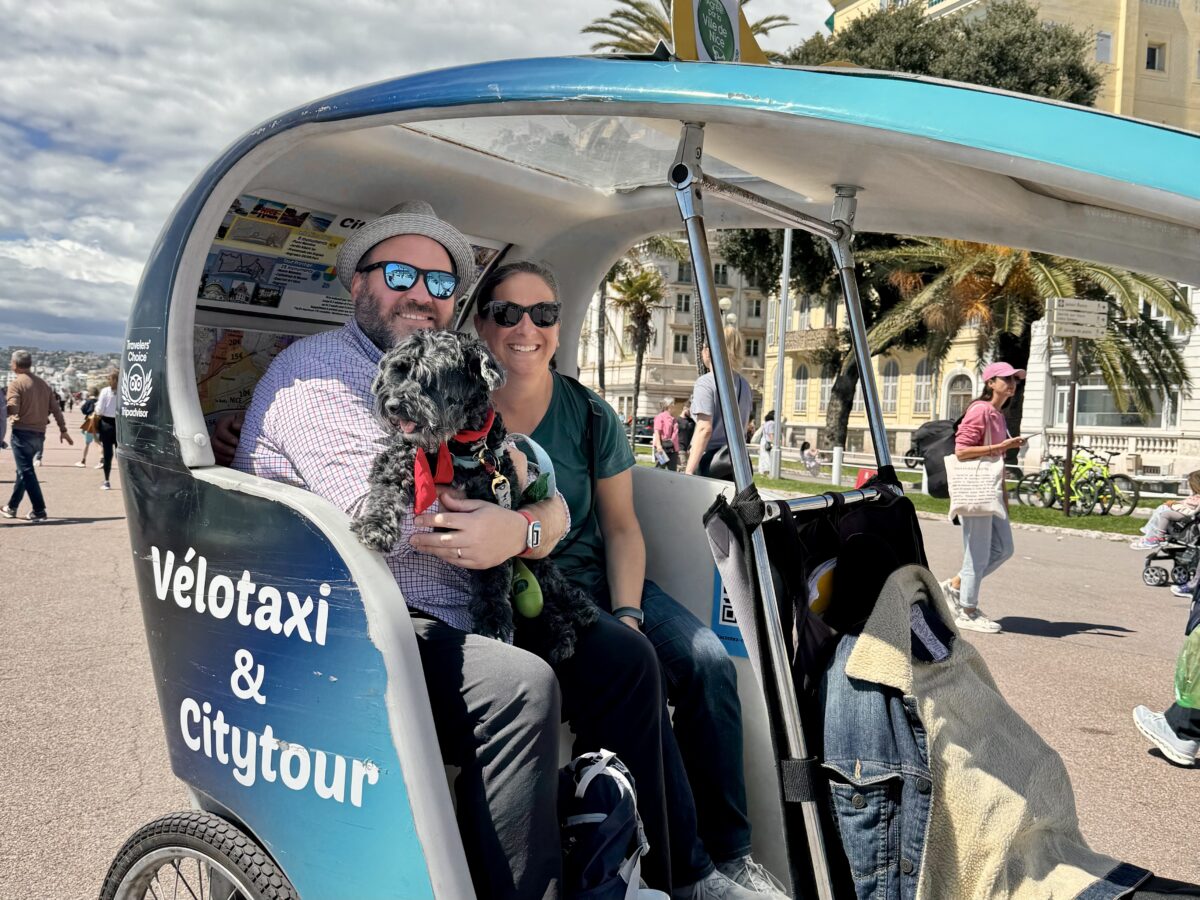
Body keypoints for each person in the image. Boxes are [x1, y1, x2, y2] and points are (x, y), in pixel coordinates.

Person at [232, 201, 675, 899]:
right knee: (520, 688)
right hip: (360, 619)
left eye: (440, 284)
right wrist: (527, 522)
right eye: (400, 275)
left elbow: (517, 476)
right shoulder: (319, 375)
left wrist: (531, 524)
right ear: (358, 284)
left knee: (626, 659)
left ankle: (647, 874)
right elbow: (403, 520)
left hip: (463, 601)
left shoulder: (446, 372)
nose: (421, 295)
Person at [476, 260, 787, 900]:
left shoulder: (591, 415)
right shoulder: (464, 412)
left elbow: (621, 528)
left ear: (559, 326)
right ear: (481, 325)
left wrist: (627, 613)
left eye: (543, 314)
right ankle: (685, 870)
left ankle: (730, 855)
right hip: (528, 597)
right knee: (631, 669)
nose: (526, 328)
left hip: (602, 581)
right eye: (507, 313)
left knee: (708, 662)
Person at [939, 362, 1025, 634]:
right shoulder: (980, 410)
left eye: (1015, 379)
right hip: (975, 489)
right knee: (976, 553)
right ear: (990, 383)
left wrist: (1004, 497)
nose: (1012, 383)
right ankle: (967, 610)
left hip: (991, 491)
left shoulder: (998, 415)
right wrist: (1000, 446)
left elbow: (996, 462)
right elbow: (962, 451)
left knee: (1004, 549)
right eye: (1006, 379)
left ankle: (955, 585)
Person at [2, 350, 73, 522]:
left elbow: (13, 408)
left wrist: (4, 410)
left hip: (22, 434)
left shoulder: (16, 384)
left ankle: (39, 510)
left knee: (26, 471)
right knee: (23, 470)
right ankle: (12, 507)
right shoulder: (43, 384)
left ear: (15, 365)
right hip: (39, 434)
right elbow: (56, 409)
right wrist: (63, 429)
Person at [684, 328, 752, 479]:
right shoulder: (745, 385)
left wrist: (689, 471)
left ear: (709, 351)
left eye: (703, 347)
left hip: (711, 464)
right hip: (737, 465)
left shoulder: (706, 383)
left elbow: (704, 429)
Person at [1131, 471, 1200, 550]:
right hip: (1185, 515)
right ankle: (1151, 536)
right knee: (1162, 507)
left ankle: (1155, 539)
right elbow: (1186, 502)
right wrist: (1174, 503)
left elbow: (1193, 511)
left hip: (1188, 520)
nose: (1190, 486)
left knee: (1164, 512)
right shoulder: (1196, 494)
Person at [96, 370, 119, 490]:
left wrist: (96, 412)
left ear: (114, 379)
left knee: (107, 454)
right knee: (121, 454)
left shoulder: (105, 391)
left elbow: (99, 410)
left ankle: (107, 481)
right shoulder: (123, 391)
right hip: (120, 424)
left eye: (109, 379)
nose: (109, 381)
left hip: (106, 424)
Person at [652, 397, 679, 472]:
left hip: (673, 449)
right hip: (662, 447)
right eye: (673, 403)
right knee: (660, 469)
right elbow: (657, 432)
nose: (674, 405)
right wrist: (658, 446)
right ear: (669, 405)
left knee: (673, 471)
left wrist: (677, 450)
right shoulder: (660, 417)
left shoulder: (674, 418)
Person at [75, 387, 99, 467]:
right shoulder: (99, 401)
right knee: (98, 443)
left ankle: (83, 460)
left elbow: (83, 410)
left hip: (90, 423)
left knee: (87, 443)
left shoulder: (88, 401)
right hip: (98, 424)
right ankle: (102, 459)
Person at [752, 411, 774, 477]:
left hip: (763, 441)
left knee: (762, 456)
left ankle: (761, 471)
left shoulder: (765, 423)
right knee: (767, 456)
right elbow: (770, 433)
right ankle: (767, 471)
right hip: (768, 442)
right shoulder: (772, 423)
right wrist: (773, 442)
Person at [676, 406, 696, 470]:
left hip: (690, 449)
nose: (691, 412)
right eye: (690, 410)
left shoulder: (692, 421)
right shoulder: (677, 420)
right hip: (680, 448)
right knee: (683, 468)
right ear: (685, 408)